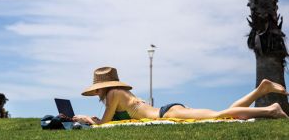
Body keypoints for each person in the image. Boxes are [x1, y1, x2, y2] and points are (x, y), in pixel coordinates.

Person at [73, 67, 289, 125]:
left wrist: (85, 118)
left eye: (97, 90)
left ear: (103, 87)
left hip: (166, 113)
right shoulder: (120, 93)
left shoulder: (113, 94)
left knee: (219, 115)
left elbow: (105, 122)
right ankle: (261, 90)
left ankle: (271, 110)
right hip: (169, 110)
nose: (97, 94)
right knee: (223, 115)